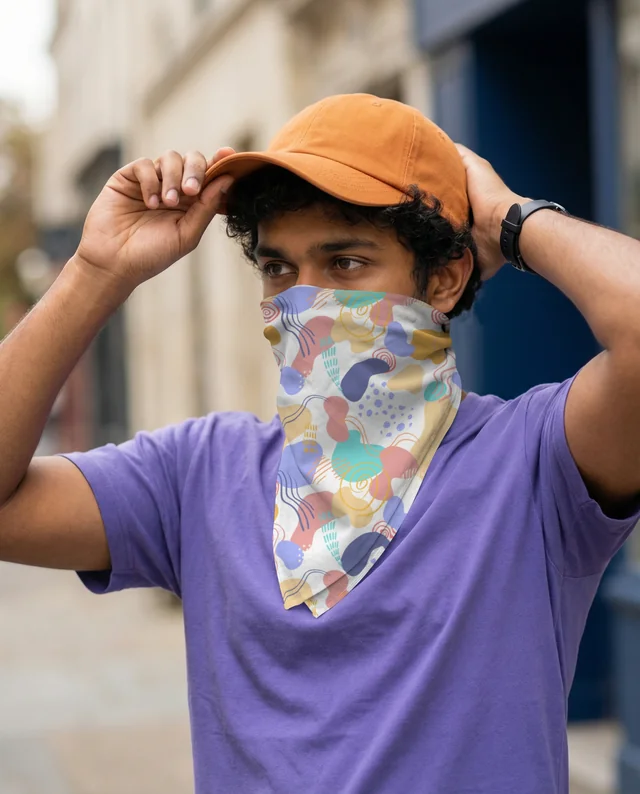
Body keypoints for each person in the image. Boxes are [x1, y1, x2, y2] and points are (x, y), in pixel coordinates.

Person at [0, 93, 638, 793]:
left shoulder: (532, 464)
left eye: (344, 264)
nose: (304, 302)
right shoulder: (200, 474)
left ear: (447, 278)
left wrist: (509, 219)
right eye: (278, 269)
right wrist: (99, 270)